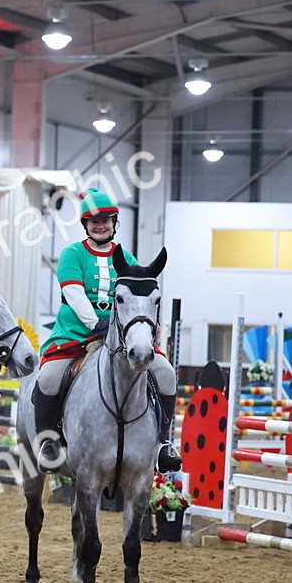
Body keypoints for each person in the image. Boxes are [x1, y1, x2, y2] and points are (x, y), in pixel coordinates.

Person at [34, 187, 181, 472]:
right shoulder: (72, 254)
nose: (100, 225)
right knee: (50, 378)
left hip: (123, 336)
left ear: (115, 223)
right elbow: (74, 294)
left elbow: (139, 300)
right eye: (93, 221)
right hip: (76, 333)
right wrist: (95, 323)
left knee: (166, 373)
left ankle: (163, 442)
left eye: (106, 220)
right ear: (86, 226)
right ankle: (49, 442)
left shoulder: (127, 257)